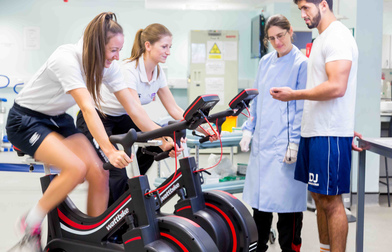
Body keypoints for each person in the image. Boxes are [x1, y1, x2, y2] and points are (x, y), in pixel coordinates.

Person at [5, 12, 133, 252]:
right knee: (76, 168)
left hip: (57, 119)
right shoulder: (66, 58)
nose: (117, 57)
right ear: (97, 46)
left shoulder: (107, 66)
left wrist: (161, 135)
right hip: (26, 119)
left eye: (119, 50)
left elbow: (132, 106)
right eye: (114, 50)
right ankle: (30, 221)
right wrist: (108, 149)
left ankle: (95, 239)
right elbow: (87, 107)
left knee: (99, 172)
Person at [77, 23, 216, 206]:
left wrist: (203, 126)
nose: (168, 52)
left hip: (121, 118)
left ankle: (130, 201)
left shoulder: (157, 72)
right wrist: (163, 136)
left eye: (170, 47)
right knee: (117, 170)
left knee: (152, 147)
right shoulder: (129, 70)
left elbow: (174, 108)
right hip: (97, 117)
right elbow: (136, 111)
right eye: (164, 46)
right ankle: (112, 219)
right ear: (148, 45)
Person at [270, 1, 359, 251]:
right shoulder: (320, 39)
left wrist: (294, 94)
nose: (302, 14)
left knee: (332, 202)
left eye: (306, 7)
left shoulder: (338, 36)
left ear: (323, 4)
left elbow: (337, 87)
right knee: (320, 200)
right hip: (315, 130)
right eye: (300, 8)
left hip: (329, 133)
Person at [240, 14, 307, 252]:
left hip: (286, 147)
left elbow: (302, 107)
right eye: (271, 38)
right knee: (261, 208)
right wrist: (248, 129)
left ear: (290, 32)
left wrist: (295, 142)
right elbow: (256, 100)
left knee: (288, 210)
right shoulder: (265, 62)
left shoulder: (302, 63)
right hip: (264, 144)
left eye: (280, 36)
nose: (277, 42)